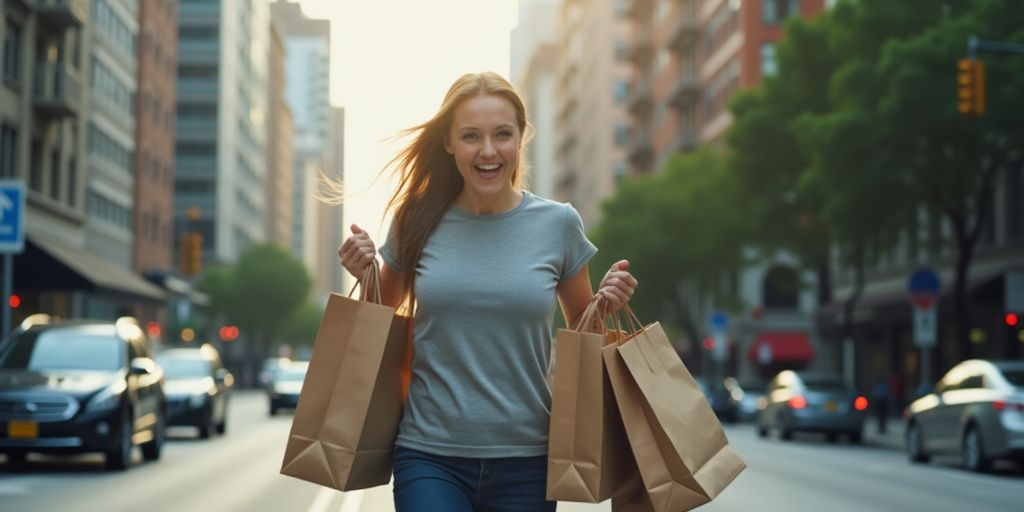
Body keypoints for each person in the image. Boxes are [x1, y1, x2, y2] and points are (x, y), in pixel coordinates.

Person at [337, 72, 638, 512]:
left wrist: (607, 304)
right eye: (471, 136)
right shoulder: (414, 220)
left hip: (529, 463)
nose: (488, 151)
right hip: (429, 455)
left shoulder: (559, 225)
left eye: (502, 134)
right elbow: (377, 325)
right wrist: (363, 270)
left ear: (521, 138)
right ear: (449, 143)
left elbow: (581, 335)